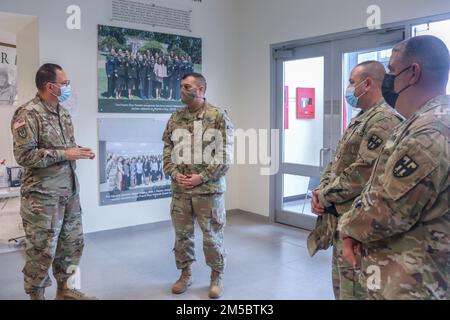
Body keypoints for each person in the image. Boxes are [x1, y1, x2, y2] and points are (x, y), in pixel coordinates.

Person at [339, 35, 450, 300]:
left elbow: (386, 211)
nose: (387, 79)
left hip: (414, 281)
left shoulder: (429, 133)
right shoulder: (423, 121)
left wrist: (347, 228)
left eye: (391, 70)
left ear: (413, 73)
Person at [308, 61, 402, 300]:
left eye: (351, 82)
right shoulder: (361, 118)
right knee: (342, 289)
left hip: (360, 225)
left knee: (356, 292)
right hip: (342, 221)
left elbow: (362, 172)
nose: (348, 87)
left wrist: (325, 196)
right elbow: (337, 161)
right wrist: (320, 190)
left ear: (367, 83)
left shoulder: (384, 120)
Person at [10, 63, 97, 300]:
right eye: (65, 83)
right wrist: (66, 154)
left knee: (71, 244)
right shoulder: (27, 114)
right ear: (51, 86)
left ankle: (65, 290)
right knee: (41, 251)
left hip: (68, 192)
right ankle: (37, 296)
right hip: (42, 198)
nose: (68, 87)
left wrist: (79, 150)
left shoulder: (63, 112)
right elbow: (24, 156)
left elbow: (63, 148)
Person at [162, 72, 234, 298]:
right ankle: (185, 274)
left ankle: (216, 276)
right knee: (182, 236)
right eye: (181, 86)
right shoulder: (175, 118)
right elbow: (167, 147)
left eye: (187, 86)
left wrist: (201, 177)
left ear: (201, 90)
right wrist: (173, 173)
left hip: (208, 191)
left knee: (212, 235)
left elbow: (224, 156)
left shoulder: (218, 116)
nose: (182, 90)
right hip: (181, 190)